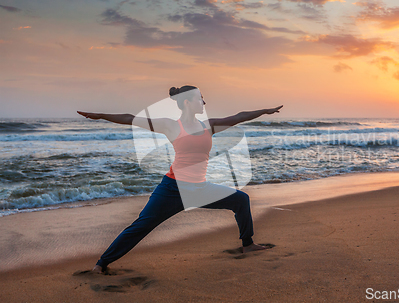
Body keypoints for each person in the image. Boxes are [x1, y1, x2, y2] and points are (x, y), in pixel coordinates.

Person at [77, 85, 283, 274]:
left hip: (200, 189)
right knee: (141, 226)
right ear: (187, 102)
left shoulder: (208, 126)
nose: (204, 102)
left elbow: (239, 116)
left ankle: (247, 244)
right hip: (172, 190)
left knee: (241, 199)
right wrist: (101, 115)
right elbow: (131, 118)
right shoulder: (170, 126)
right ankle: (102, 264)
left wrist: (264, 111)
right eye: (200, 98)